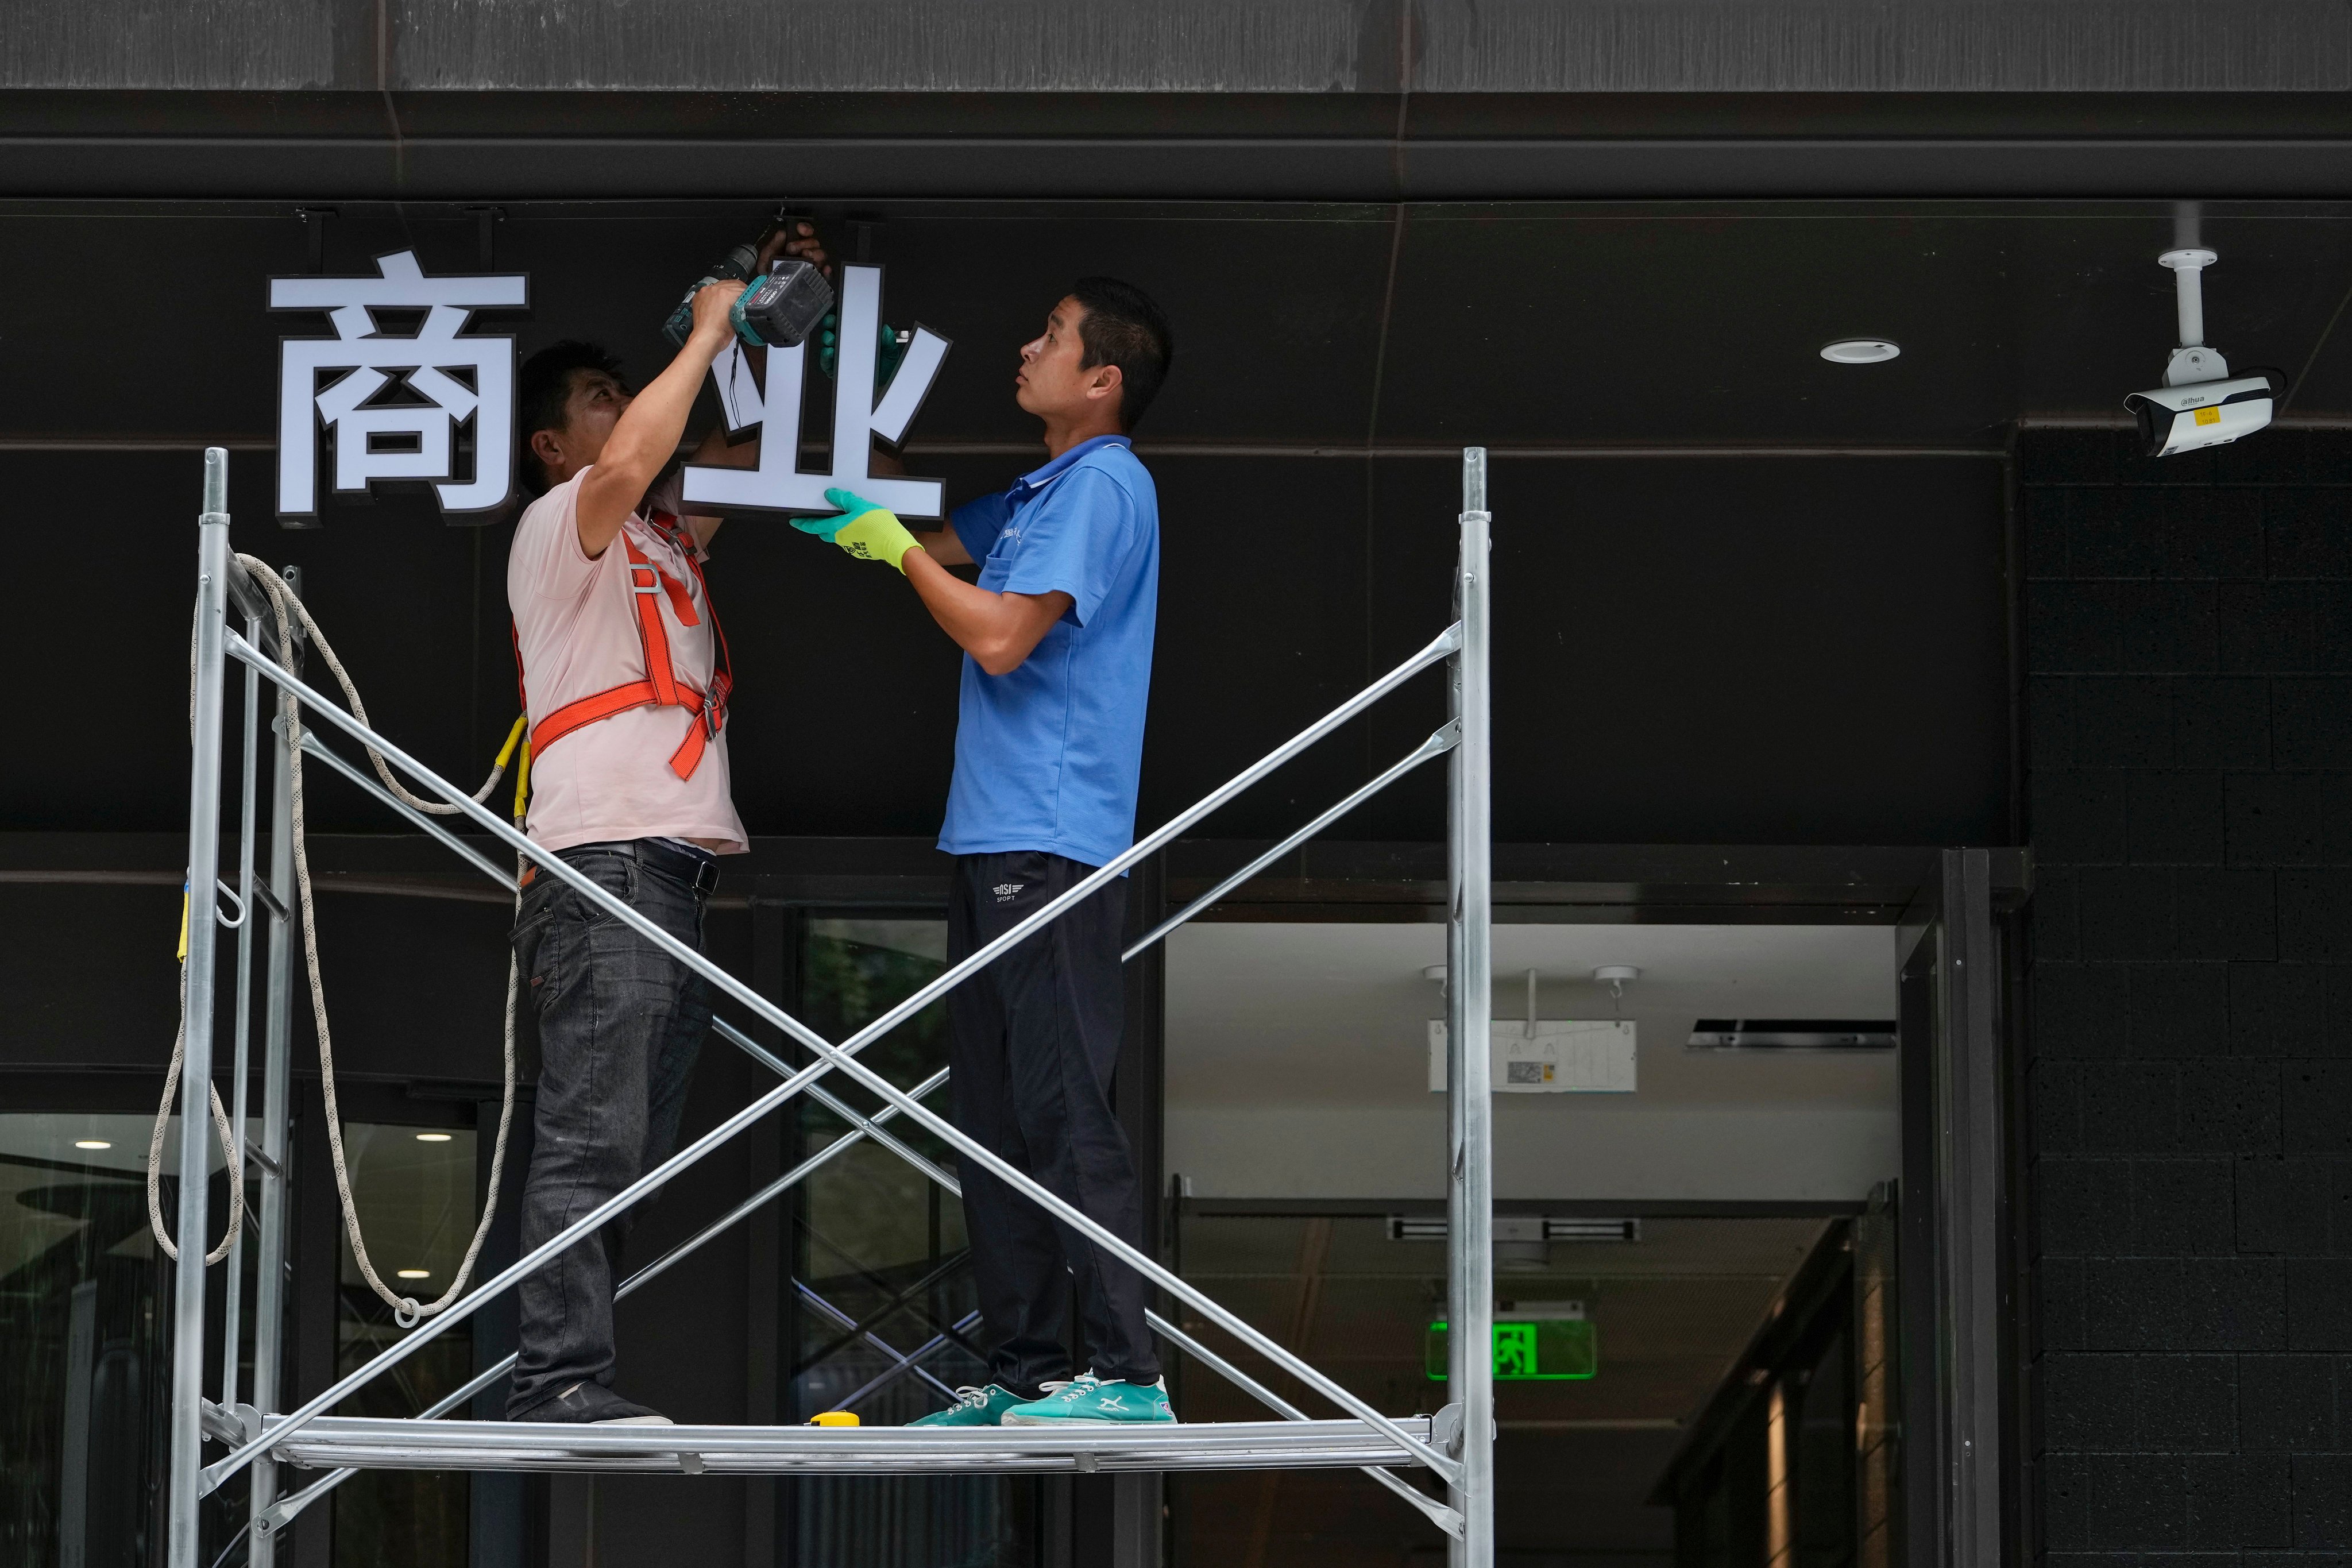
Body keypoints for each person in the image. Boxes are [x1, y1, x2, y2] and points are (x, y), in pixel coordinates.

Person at [791, 277, 1177, 1428]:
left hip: (1047, 838)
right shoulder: (1043, 488)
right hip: (997, 838)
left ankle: (1126, 1374)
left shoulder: (1102, 481)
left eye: (1050, 337)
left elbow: (1002, 637)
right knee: (996, 1118)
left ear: (1100, 380)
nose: (1026, 346)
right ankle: (1030, 1370)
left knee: (1060, 1110)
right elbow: (943, 534)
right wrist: (824, 411)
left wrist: (893, 554)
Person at [503, 225, 828, 1426]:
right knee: (593, 1136)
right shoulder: (561, 528)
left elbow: (733, 450)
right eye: (600, 399)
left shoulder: (655, 537)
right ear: (554, 444)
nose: (623, 410)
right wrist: (701, 327)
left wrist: (773, 317)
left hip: (667, 877)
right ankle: (557, 1381)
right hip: (606, 868)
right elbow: (647, 457)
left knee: (630, 1143)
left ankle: (560, 1361)